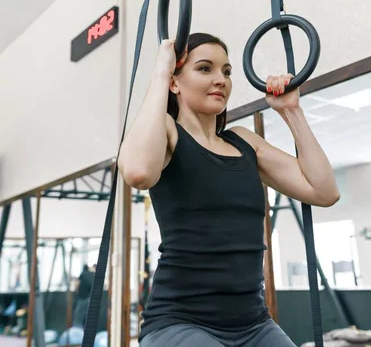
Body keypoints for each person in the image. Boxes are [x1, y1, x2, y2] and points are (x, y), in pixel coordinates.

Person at [118, 33, 340, 347]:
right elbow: (138, 172)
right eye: (205, 68)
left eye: (226, 71)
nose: (220, 79)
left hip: (254, 324)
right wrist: (160, 72)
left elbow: (324, 191)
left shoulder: (243, 141)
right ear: (175, 82)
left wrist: (291, 110)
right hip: (180, 322)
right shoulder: (169, 133)